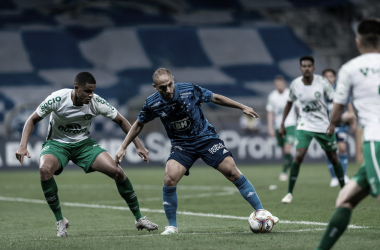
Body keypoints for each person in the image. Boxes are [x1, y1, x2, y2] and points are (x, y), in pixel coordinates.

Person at [115, 68, 279, 235]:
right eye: (163, 87)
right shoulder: (153, 103)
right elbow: (139, 123)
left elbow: (215, 97)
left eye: (170, 84)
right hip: (182, 145)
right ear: (155, 87)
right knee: (169, 178)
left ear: (173, 79)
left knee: (232, 172)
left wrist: (242, 107)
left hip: (206, 138)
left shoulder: (189, 90)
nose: (168, 90)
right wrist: (124, 147)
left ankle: (261, 212)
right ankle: (171, 226)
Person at [15, 72, 158, 237]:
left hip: (84, 145)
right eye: (88, 91)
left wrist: (138, 145)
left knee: (117, 172)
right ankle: (60, 220)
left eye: (93, 91)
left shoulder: (96, 102)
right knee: (44, 170)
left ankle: (139, 218)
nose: (91, 95)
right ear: (76, 88)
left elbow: (121, 120)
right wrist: (22, 145)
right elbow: (32, 119)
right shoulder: (57, 99)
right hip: (57, 145)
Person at [316, 18, 380, 250]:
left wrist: (335, 122)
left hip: (376, 140)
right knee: (345, 199)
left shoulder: (350, 68)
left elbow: (336, 112)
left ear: (357, 41)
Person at [280, 56, 345, 204]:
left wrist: (333, 122)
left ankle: (344, 191)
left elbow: (336, 101)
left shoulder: (322, 82)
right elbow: (289, 103)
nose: (307, 68)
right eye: (304, 66)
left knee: (333, 158)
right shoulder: (295, 84)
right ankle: (289, 193)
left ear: (313, 68)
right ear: (300, 68)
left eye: (309, 66)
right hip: (305, 125)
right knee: (299, 155)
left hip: (323, 125)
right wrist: (282, 123)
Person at [323, 68, 356, 187]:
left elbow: (349, 107)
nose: (329, 79)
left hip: (340, 125)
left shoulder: (340, 91)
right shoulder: (320, 92)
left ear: (334, 77)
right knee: (330, 151)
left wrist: (353, 122)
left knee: (342, 148)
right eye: (326, 76)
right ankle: (333, 177)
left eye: (331, 76)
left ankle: (343, 174)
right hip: (326, 126)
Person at [266, 75, 297, 181]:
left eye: (280, 83)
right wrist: (270, 128)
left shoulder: (290, 94)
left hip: (290, 124)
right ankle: (294, 165)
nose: (278, 86)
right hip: (278, 126)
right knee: (285, 151)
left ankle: (283, 172)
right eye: (276, 84)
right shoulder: (272, 96)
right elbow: (270, 113)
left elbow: (297, 108)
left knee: (288, 148)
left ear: (284, 83)